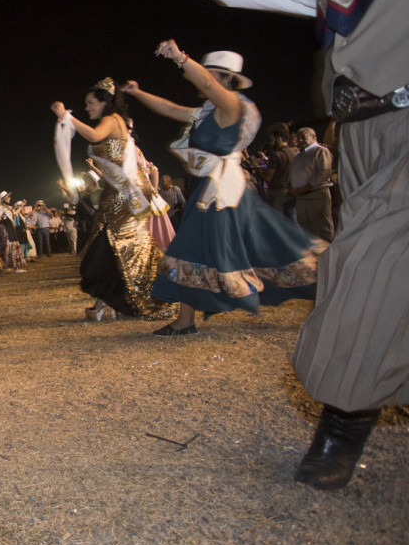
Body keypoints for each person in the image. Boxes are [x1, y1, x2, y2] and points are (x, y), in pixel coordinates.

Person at [131, 0, 409, 489]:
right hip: (364, 128)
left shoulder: (235, 107)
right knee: (394, 262)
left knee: (373, 260)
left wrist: (185, 61)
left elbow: (208, 93)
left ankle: (343, 421)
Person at [121, 43, 324, 336]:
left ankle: (331, 279)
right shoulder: (209, 111)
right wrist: (138, 93)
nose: (206, 78)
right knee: (249, 243)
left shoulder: (232, 105)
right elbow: (170, 108)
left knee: (201, 246)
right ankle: (186, 319)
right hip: (211, 188)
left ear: (227, 79)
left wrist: (180, 58)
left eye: (212, 73)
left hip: (220, 191)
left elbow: (202, 80)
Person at [51, 79, 173, 321]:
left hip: (125, 192)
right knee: (107, 244)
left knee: (121, 244)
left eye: (90, 103)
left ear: (104, 102)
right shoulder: (115, 121)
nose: (86, 108)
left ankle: (139, 298)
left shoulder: (112, 119)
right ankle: (106, 303)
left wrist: (67, 117)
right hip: (116, 191)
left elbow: (94, 135)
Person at [289, 126, 335, 241]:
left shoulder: (321, 151)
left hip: (316, 195)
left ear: (313, 137)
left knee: (321, 229)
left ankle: (328, 255)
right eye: (297, 138)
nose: (299, 140)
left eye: (303, 138)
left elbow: (324, 173)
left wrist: (306, 187)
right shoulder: (298, 156)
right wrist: (291, 187)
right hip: (301, 198)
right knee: (306, 231)